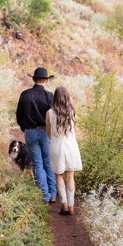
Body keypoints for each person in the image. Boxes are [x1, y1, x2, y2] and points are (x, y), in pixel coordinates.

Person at [16, 67, 57, 203]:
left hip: (30, 132)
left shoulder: (24, 94)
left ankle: (44, 195)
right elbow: (53, 116)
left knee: (37, 164)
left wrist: (24, 128)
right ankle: (52, 194)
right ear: (46, 80)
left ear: (33, 79)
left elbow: (19, 114)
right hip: (45, 132)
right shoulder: (50, 96)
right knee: (48, 162)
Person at [48, 86, 82, 215]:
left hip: (57, 146)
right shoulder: (73, 111)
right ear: (68, 97)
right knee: (70, 175)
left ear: (54, 97)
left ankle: (64, 204)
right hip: (71, 146)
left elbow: (48, 132)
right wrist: (71, 102)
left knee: (58, 174)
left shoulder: (50, 113)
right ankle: (72, 206)